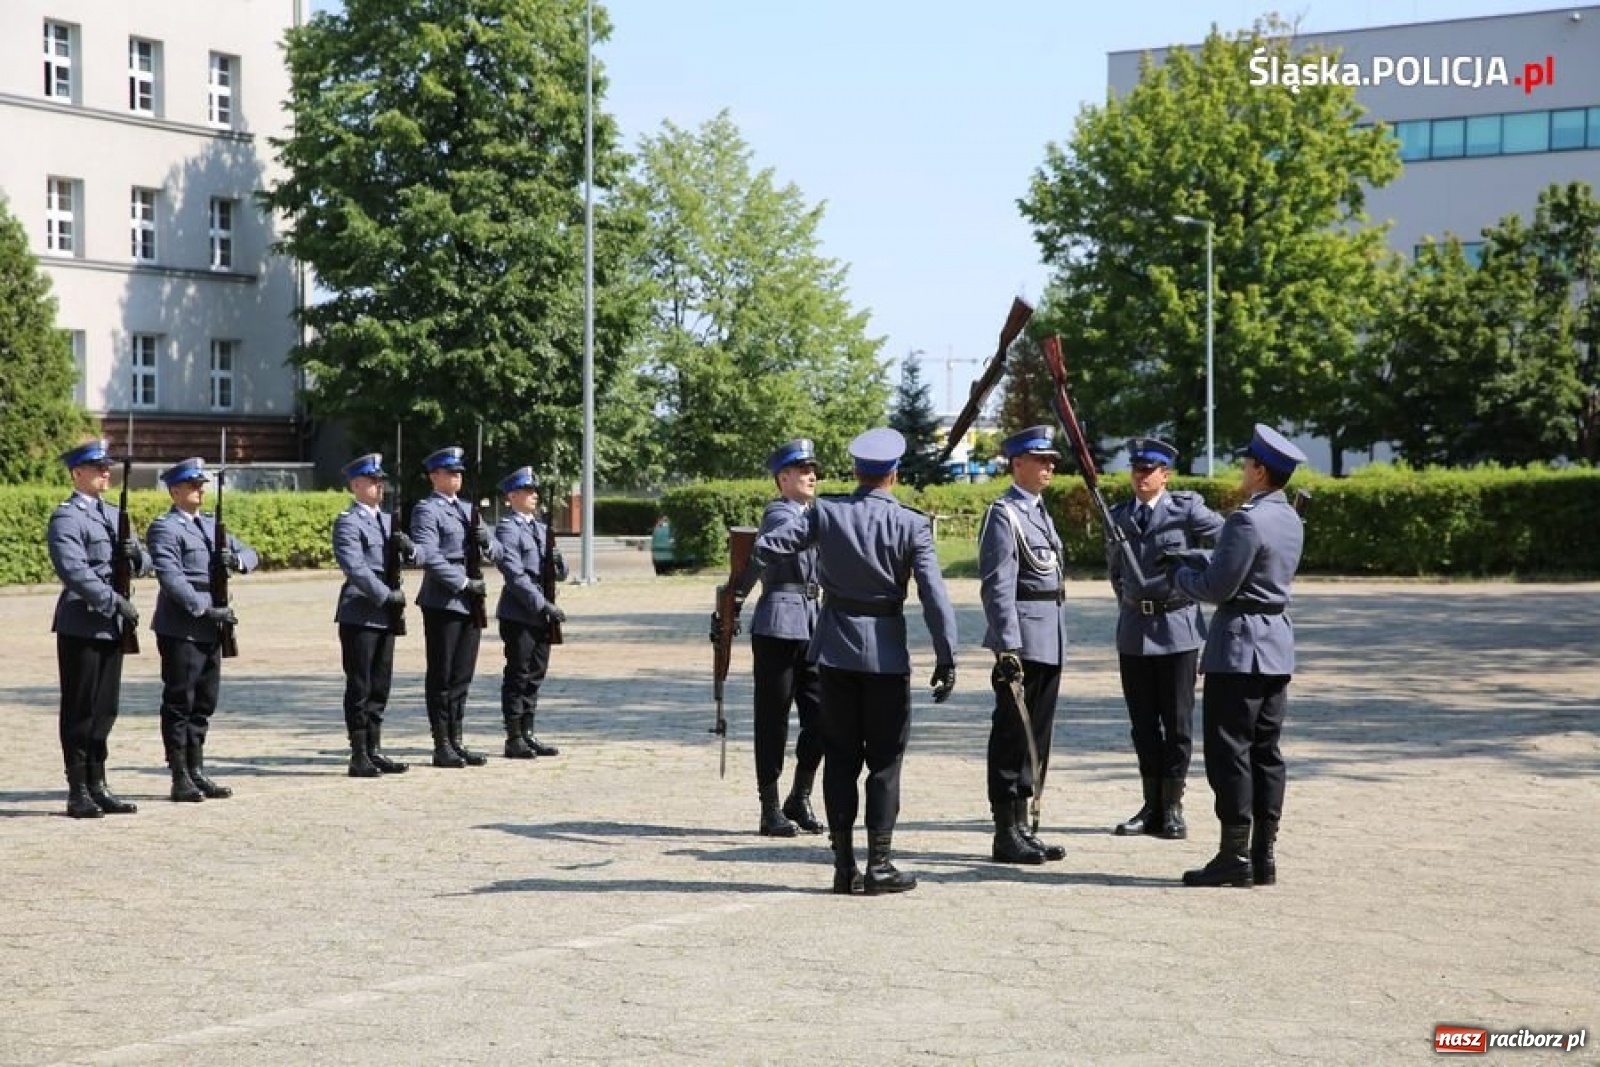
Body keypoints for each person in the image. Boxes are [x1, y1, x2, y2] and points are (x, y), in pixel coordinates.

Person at [735, 427, 958, 896]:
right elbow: (934, 595)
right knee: (884, 762)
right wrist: (946, 652)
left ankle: (843, 866)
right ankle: (880, 863)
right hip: (887, 654)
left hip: (833, 647)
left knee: (840, 759)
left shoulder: (827, 512)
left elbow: (766, 547)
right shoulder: (911, 523)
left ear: (856, 471)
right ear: (894, 475)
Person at [1169, 424, 1307, 888]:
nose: (1242, 470)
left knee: (1230, 754)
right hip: (1275, 645)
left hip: (1239, 647)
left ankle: (1233, 856)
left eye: (1246, 464)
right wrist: (1201, 555)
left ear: (1260, 470)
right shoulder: (1288, 516)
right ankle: (1263, 854)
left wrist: (1181, 578)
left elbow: (1218, 588)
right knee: (1267, 753)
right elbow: (1254, 568)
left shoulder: (1246, 519)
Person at [1106, 438, 1224, 841]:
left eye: (1149, 470)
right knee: (1142, 726)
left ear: (1165, 474)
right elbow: (1116, 572)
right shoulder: (1119, 515)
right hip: (1135, 632)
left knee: (1176, 724)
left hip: (1178, 630)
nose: (1141, 476)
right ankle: (1151, 804)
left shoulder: (1186, 509)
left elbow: (1230, 540)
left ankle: (1173, 806)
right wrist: (1130, 603)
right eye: (1136, 469)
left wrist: (1195, 567)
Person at [978, 426, 1069, 865]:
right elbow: (998, 586)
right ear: (1017, 463)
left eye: (1052, 460)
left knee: (1037, 737)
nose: (1050, 466)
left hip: (1049, 638)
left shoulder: (1038, 511)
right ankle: (1004, 832)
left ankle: (1022, 825)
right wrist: (1007, 646)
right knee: (1013, 737)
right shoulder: (1004, 513)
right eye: (1041, 459)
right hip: (1023, 644)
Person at [47, 439, 152, 819]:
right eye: (97, 467)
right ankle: (77, 788)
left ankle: (98, 782)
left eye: (107, 467)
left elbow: (143, 561)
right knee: (80, 707)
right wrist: (111, 600)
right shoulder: (66, 517)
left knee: (105, 708)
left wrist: (137, 558)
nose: (106, 473)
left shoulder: (113, 513)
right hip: (83, 622)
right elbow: (73, 569)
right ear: (77, 473)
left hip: (112, 625)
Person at [148, 457, 259, 802]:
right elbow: (171, 577)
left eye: (201, 485)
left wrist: (236, 561)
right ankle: (179, 773)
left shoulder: (212, 525)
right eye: (192, 485)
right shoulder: (165, 528)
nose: (199, 491)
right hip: (183, 625)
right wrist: (204, 607)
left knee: (205, 701)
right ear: (175, 490)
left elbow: (251, 553)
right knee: (181, 700)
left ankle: (197, 768)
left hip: (213, 625)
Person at [738, 438, 827, 837]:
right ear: (783, 478)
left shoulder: (814, 513)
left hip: (814, 623)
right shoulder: (779, 514)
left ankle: (800, 795)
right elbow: (786, 538)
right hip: (778, 623)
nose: (812, 476)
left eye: (814, 470)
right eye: (803, 470)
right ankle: (770, 806)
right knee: (772, 720)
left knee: (824, 718)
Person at [411, 446, 502, 768]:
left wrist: (487, 541)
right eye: (450, 472)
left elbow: (498, 552)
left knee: (463, 674)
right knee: (443, 674)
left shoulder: (469, 510)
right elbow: (430, 555)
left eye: (459, 472)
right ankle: (441, 743)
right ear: (434, 476)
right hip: (444, 599)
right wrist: (462, 583)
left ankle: (457, 738)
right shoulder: (427, 510)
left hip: (471, 601)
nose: (457, 477)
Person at [331, 453, 418, 778]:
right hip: (361, 612)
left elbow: (414, 556)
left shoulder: (387, 521)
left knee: (381, 683)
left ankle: (375, 748)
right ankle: (359, 753)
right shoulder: (349, 521)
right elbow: (355, 567)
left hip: (387, 612)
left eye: (380, 480)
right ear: (356, 484)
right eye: (372, 480)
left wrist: (409, 548)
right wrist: (385, 596)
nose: (379, 485)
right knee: (360, 684)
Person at [493, 466, 567, 760]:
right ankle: (513, 736)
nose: (534, 496)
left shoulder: (541, 528)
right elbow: (515, 574)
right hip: (520, 611)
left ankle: (528, 732)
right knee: (518, 673)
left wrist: (559, 562)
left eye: (535, 491)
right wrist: (542, 604)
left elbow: (559, 574)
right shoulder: (507, 529)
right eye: (527, 491)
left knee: (536, 673)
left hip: (542, 610)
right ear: (512, 496)